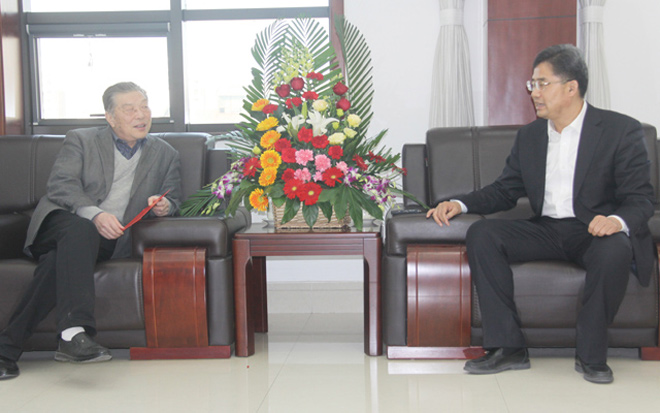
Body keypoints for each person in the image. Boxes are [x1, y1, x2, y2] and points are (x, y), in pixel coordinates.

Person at [426, 44, 656, 384]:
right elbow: (505, 190)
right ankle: (508, 348)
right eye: (532, 84)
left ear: (571, 87)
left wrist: (616, 222)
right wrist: (459, 204)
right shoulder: (531, 135)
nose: (534, 92)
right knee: (483, 234)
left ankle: (592, 355)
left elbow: (641, 198)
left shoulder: (620, 130)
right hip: (546, 229)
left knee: (616, 249)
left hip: (593, 231)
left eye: (541, 83)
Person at [0, 82, 182, 380]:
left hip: (107, 238)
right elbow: (61, 186)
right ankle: (74, 330)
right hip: (61, 221)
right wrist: (95, 214)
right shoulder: (81, 140)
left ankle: (7, 350)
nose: (141, 115)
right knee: (81, 230)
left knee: (56, 263)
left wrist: (165, 206)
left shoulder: (166, 154)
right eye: (130, 109)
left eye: (144, 106)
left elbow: (175, 197)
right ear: (110, 117)